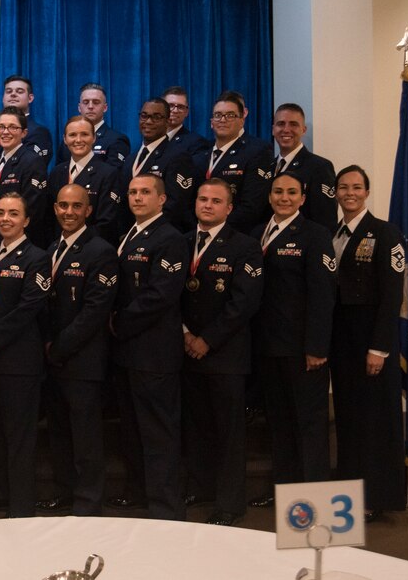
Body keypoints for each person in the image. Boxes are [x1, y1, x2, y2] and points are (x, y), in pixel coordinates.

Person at [248, 172, 337, 508]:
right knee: (279, 424)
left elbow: (322, 295)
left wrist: (317, 347)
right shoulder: (258, 233)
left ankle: (312, 500)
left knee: (309, 426)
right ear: (269, 196)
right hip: (267, 347)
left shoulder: (315, 235)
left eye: (291, 193)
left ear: (303, 198)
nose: (284, 198)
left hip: (303, 350)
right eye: (278, 192)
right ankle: (283, 492)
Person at [179, 179, 264, 526]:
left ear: (229, 208)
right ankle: (202, 487)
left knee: (229, 432)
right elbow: (173, 296)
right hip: (185, 349)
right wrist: (186, 334)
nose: (207, 205)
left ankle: (230, 503)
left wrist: (207, 340)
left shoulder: (245, 247)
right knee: (196, 426)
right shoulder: (181, 243)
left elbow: (244, 303)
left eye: (216, 201)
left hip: (225, 353)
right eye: (202, 199)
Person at [0, 194, 51, 518]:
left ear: (26, 220)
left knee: (19, 437)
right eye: (0, 213)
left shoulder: (37, 258)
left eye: (13, 214)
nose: (5, 219)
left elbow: (28, 308)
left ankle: (20, 506)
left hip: (18, 363)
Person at [330, 165, 406, 522]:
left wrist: (380, 348)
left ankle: (377, 496)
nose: (349, 193)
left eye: (356, 187)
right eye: (343, 187)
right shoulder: (334, 232)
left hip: (372, 343)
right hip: (342, 341)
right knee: (349, 418)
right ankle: (349, 490)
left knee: (377, 420)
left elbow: (392, 297)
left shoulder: (385, 233)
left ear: (367, 192)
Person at [109, 173, 188, 520]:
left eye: (145, 192)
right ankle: (139, 492)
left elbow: (161, 295)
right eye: (133, 192)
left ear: (162, 199)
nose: (137, 198)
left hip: (154, 351)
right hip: (129, 351)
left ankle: (165, 506)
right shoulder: (130, 232)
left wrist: (117, 322)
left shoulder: (169, 238)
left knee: (159, 432)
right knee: (132, 430)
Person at [36, 184, 118, 516]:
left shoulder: (100, 251)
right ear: (55, 209)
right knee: (59, 432)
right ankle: (64, 490)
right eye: (63, 206)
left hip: (82, 359)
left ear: (88, 210)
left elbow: (94, 313)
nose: (68, 212)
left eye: (76, 206)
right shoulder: (52, 247)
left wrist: (59, 347)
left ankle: (87, 500)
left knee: (85, 436)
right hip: (52, 358)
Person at [193, 91, 274, 235]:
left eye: (230, 115)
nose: (223, 120)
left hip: (237, 236)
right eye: (218, 115)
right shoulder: (200, 153)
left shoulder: (257, 151)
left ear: (242, 120)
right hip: (200, 233)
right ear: (211, 122)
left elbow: (252, 206)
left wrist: (216, 228)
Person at [116, 98, 198, 235]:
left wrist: (146, 231)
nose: (148, 121)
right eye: (144, 116)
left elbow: (175, 205)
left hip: (162, 235)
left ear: (167, 121)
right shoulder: (131, 159)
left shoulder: (178, 156)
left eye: (156, 117)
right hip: (131, 234)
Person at [0, 106, 50, 251]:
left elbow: (33, 209)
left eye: (12, 127)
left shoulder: (32, 161)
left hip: (20, 244)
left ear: (24, 133)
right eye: (1, 127)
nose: (5, 132)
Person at [47, 116, 121, 243]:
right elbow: (49, 217)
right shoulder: (57, 172)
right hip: (59, 247)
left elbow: (106, 222)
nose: (78, 140)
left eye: (84, 134)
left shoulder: (107, 173)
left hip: (91, 248)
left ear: (94, 138)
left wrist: (75, 244)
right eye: (72, 135)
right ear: (65, 139)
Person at [271, 103, 338, 234]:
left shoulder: (319, 166)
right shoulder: (268, 166)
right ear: (273, 129)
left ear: (304, 129)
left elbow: (326, 221)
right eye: (281, 124)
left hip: (302, 247)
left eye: (293, 124)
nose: (286, 129)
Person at [0, 75, 53, 177]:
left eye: (19, 91)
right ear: (3, 98)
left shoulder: (39, 132)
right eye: (8, 91)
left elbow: (32, 170)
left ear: (30, 98)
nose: (13, 94)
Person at [56, 82, 130, 168]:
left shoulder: (116, 140)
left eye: (96, 102)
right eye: (86, 102)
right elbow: (59, 172)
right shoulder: (69, 138)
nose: (90, 106)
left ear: (105, 108)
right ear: (79, 108)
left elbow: (113, 176)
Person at [162, 86, 205, 154]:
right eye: (170, 105)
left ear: (186, 112)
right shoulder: (152, 137)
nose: (175, 110)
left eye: (180, 107)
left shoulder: (196, 143)